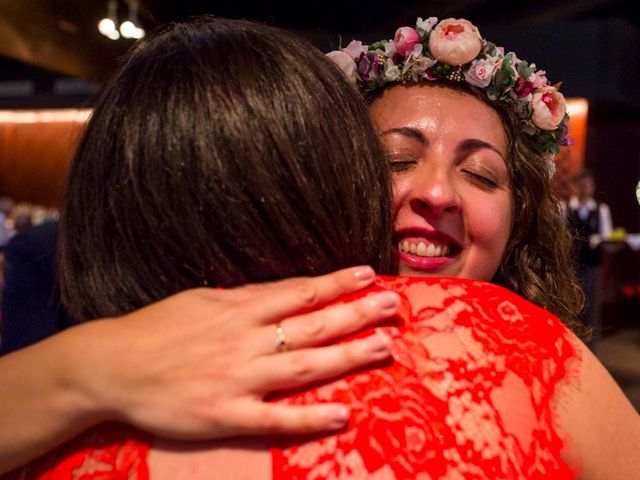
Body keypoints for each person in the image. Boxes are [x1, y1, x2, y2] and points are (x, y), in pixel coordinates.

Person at [8, 15, 638, 480]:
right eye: (395, 160)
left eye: (481, 175)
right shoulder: (56, 294)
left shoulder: (535, 348)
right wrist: (82, 368)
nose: (439, 193)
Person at [566, 168, 613, 347]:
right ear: (576, 187)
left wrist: (601, 240)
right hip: (570, 267)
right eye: (582, 185)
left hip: (593, 267)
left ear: (593, 187)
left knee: (592, 312)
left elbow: (607, 239)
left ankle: (591, 354)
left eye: (588, 185)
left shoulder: (601, 209)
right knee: (570, 309)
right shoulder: (566, 207)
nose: (585, 189)